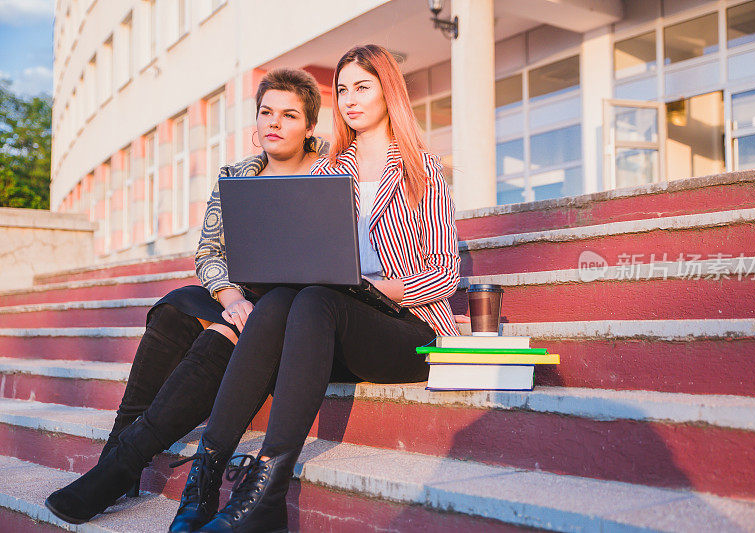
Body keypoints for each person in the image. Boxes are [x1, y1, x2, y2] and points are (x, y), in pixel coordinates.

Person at [169, 44, 460, 533]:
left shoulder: (420, 168)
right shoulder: (327, 170)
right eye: (342, 89)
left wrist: (376, 287)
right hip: (325, 322)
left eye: (362, 87)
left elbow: (446, 274)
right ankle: (205, 476)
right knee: (287, 296)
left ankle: (265, 490)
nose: (348, 98)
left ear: (388, 92)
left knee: (318, 297)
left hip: (408, 330)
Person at [44, 68, 328, 530]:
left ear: (310, 126)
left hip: (290, 310)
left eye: (289, 115)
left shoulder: (330, 175)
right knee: (176, 306)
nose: (274, 123)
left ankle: (116, 470)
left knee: (220, 333)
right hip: (241, 296)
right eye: (266, 112)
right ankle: (115, 457)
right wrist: (230, 295)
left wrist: (243, 311)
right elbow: (209, 252)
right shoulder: (237, 175)